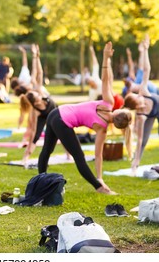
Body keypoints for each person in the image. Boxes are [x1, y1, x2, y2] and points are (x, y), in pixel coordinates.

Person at [38, 41, 132, 195]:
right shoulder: (102, 129)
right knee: (79, 157)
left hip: (56, 112)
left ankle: (40, 181)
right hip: (62, 121)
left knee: (47, 150)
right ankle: (99, 188)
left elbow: (106, 79)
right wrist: (100, 177)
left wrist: (106, 58)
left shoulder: (108, 103)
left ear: (118, 111)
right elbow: (98, 155)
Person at [123, 35, 159, 175]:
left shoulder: (143, 91)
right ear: (136, 106)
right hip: (150, 115)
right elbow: (139, 141)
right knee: (143, 140)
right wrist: (135, 161)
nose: (139, 98)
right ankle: (135, 164)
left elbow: (146, 70)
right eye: (137, 99)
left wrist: (145, 50)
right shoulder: (140, 116)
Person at [20, 43, 58, 166]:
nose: (39, 98)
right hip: (43, 116)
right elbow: (34, 130)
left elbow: (39, 73)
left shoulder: (40, 91)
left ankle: (69, 155)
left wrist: (36, 56)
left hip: (55, 111)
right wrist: (31, 140)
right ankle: (25, 157)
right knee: (35, 137)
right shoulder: (35, 111)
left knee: (61, 132)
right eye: (37, 98)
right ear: (35, 102)